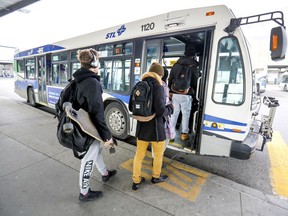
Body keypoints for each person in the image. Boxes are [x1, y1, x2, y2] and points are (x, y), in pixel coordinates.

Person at [73, 48, 117, 202]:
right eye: (98, 60)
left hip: (85, 124)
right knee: (88, 159)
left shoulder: (81, 77)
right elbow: (97, 112)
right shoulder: (91, 82)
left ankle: (105, 174)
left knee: (96, 151)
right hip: (87, 129)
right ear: (95, 62)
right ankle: (84, 193)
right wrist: (107, 137)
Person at [132, 62, 174, 191]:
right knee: (158, 155)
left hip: (141, 128)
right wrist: (170, 108)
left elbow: (131, 107)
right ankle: (156, 176)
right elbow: (160, 111)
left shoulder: (138, 85)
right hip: (156, 129)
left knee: (139, 155)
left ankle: (136, 181)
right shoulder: (158, 87)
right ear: (159, 75)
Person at [168, 44, 199, 141]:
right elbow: (195, 81)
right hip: (187, 93)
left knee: (174, 113)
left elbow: (170, 78)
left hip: (175, 92)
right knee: (186, 113)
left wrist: (170, 90)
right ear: (193, 55)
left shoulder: (176, 65)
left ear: (184, 54)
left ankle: (171, 133)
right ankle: (184, 134)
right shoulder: (194, 66)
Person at [151, 68, 175, 166]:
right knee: (164, 139)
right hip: (161, 118)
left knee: (154, 139)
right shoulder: (163, 86)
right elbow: (164, 104)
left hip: (150, 117)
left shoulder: (147, 83)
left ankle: (154, 159)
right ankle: (156, 162)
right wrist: (171, 107)